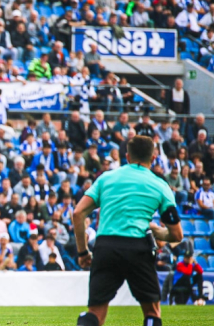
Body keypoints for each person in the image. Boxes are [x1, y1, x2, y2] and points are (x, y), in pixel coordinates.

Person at [72, 136, 183, 326]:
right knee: (152, 311)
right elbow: (176, 235)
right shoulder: (160, 186)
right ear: (154, 157)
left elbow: (78, 213)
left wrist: (83, 252)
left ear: (127, 157)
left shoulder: (106, 178)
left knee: (95, 313)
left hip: (106, 246)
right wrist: (156, 231)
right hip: (138, 247)